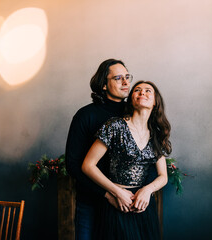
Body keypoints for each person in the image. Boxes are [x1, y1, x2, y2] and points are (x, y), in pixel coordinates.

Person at [82, 81, 172, 239]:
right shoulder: (115, 126)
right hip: (116, 203)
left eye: (148, 91)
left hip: (143, 206)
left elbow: (163, 176)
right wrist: (116, 193)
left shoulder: (156, 134)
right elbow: (88, 165)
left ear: (155, 101)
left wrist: (147, 190)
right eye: (137, 90)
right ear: (131, 99)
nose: (142, 93)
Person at [65, 59, 134, 240]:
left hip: (126, 202)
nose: (126, 83)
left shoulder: (135, 114)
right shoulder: (85, 115)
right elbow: (73, 165)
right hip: (91, 203)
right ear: (104, 84)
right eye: (119, 78)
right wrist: (106, 194)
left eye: (127, 77)